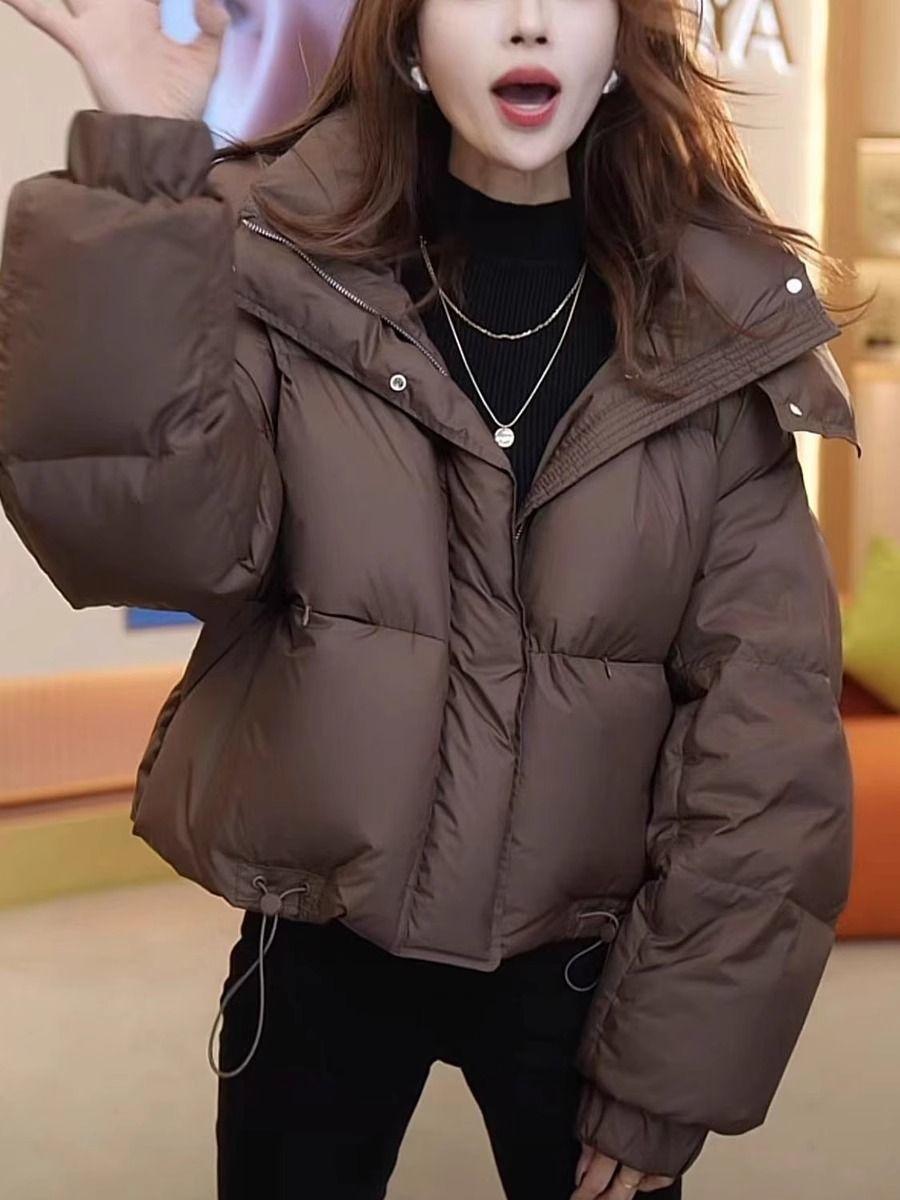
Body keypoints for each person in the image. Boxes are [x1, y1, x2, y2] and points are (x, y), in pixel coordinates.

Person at [0, 1, 862, 1199]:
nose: (528, 23)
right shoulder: (280, 266)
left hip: (589, 969)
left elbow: (765, 733)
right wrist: (139, 157)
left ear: (623, 49)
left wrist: (674, 1066)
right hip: (320, 948)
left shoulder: (711, 329)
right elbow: (143, 541)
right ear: (406, 42)